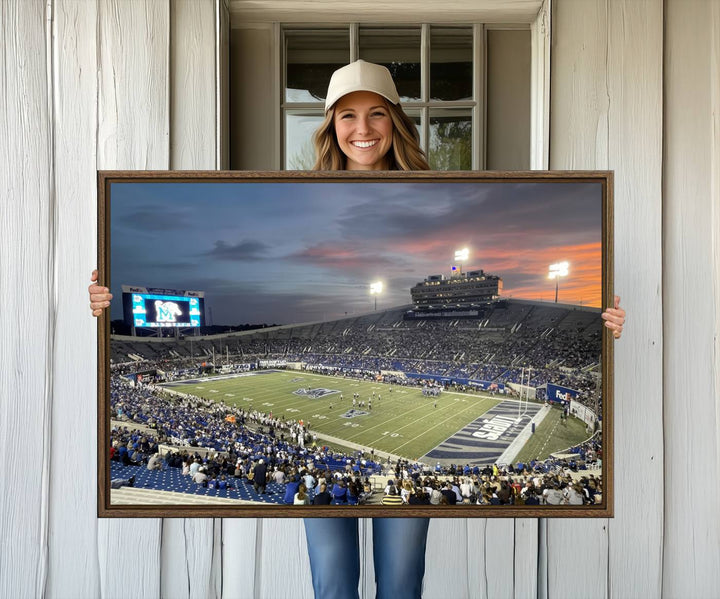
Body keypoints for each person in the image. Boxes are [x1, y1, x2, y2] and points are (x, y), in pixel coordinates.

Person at [89, 59, 626, 599]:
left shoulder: (436, 195)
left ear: (395, 120)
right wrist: (104, 300)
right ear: (330, 125)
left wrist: (601, 322)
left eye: (376, 114)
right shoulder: (301, 198)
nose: (362, 129)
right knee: (333, 584)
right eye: (347, 115)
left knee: (400, 583)